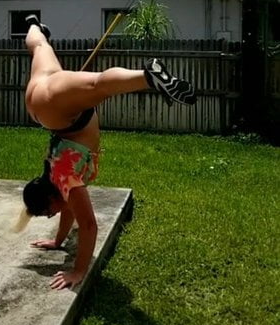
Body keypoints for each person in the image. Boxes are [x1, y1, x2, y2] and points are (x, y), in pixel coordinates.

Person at [16, 14, 196, 291]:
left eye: (48, 213)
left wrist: (78, 271)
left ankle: (148, 77)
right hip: (40, 94)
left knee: (99, 85)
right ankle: (34, 25)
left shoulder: (64, 178)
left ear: (51, 200)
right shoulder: (56, 178)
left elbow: (88, 226)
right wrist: (58, 242)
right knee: (39, 46)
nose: (52, 216)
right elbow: (69, 211)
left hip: (55, 108)